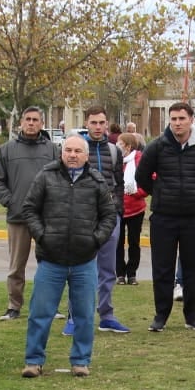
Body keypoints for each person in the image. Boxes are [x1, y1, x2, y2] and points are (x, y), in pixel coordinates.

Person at [19, 135, 117, 378]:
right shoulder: (46, 176)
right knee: (40, 313)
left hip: (84, 261)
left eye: (77, 151)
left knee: (84, 315)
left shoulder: (97, 181)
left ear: (86, 155)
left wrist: (95, 239)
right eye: (68, 150)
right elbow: (30, 209)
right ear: (61, 153)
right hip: (50, 260)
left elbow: (109, 216)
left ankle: (81, 361)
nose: (72, 155)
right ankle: (33, 361)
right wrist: (42, 236)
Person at [135, 101, 195, 332]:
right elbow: (142, 177)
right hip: (164, 218)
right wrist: (159, 192)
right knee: (162, 269)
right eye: (173, 119)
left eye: (182, 118)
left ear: (191, 119)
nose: (177, 123)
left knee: (193, 269)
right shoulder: (157, 146)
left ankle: (191, 315)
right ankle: (161, 315)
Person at [0, 106, 55, 321]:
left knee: (48, 265)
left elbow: (61, 178)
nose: (31, 123)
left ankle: (48, 306)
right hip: (18, 217)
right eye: (27, 119)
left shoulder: (52, 150)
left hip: (46, 217)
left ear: (42, 123)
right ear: (20, 123)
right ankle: (14, 306)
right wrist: (10, 201)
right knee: (16, 266)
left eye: (35, 119)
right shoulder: (7, 150)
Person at [73, 106, 129, 334]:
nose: (98, 127)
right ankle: (74, 317)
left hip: (109, 218)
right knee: (78, 269)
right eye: (93, 122)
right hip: (81, 218)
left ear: (107, 124)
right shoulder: (76, 148)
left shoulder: (115, 151)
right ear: (86, 123)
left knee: (108, 270)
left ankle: (106, 315)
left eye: (101, 122)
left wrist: (118, 212)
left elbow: (119, 183)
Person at [116, 132, 147, 286]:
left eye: (120, 144)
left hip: (136, 208)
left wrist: (138, 192)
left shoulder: (139, 160)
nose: (117, 146)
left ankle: (132, 273)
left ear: (128, 146)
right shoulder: (116, 160)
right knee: (117, 242)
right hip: (118, 208)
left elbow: (149, 179)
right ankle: (120, 274)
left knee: (134, 242)